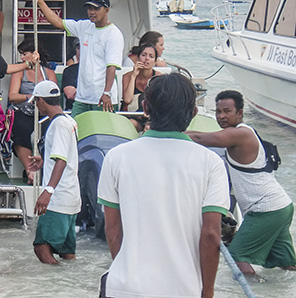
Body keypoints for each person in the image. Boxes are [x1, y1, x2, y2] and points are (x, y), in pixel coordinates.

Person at [97, 73, 230, 298]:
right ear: (194, 113)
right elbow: (211, 235)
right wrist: (207, 292)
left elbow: (112, 231)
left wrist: (129, 270)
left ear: (145, 108)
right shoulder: (211, 163)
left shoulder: (116, 157)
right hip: (183, 290)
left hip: (124, 287)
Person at [187, 90, 296, 277]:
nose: (221, 116)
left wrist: (168, 132)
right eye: (218, 111)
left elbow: (201, 139)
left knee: (237, 257)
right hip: (281, 207)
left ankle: (253, 291)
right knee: (287, 266)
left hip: (266, 209)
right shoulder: (245, 132)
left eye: (227, 111)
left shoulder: (240, 135)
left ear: (240, 113)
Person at [31, 0, 124, 116]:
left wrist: (107, 93)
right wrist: (40, 1)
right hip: (82, 98)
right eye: (89, 8)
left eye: (96, 9)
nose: (91, 12)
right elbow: (58, 23)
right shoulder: (84, 26)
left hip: (103, 98)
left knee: (102, 134)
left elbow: (111, 66)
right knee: (75, 131)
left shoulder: (113, 34)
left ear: (106, 10)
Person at [26, 80, 80, 265]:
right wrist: (44, 158)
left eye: (36, 102)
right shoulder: (69, 121)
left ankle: (53, 284)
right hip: (71, 195)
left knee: (41, 248)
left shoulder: (58, 125)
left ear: (41, 100)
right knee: (67, 253)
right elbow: (66, 154)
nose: (36, 106)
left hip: (59, 198)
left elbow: (61, 160)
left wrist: (48, 191)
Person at [8, 39, 57, 184]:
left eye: (24, 54)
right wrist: (30, 97)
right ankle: (30, 170)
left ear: (35, 54)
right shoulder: (19, 71)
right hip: (23, 110)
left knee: (51, 132)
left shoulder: (48, 72)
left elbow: (54, 95)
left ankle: (45, 170)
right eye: (21, 54)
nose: (22, 58)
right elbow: (12, 96)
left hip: (43, 113)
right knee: (20, 129)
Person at [120, 43, 158, 131]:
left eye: (151, 56)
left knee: (150, 127)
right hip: (133, 116)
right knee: (131, 124)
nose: (147, 59)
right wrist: (133, 76)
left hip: (151, 117)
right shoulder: (127, 76)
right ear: (138, 58)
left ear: (155, 61)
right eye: (144, 55)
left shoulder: (159, 78)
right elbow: (127, 100)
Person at [61, 39, 80, 111]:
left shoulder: (100, 71)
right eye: (78, 48)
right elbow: (70, 95)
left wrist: (77, 90)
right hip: (73, 111)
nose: (81, 51)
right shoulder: (69, 71)